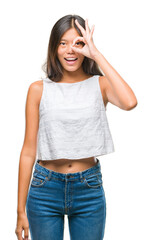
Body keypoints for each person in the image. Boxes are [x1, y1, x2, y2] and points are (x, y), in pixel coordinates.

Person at [15, 14, 138, 240]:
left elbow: (130, 102)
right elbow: (28, 151)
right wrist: (20, 210)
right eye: (63, 43)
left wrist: (96, 54)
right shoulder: (38, 89)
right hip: (45, 189)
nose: (70, 50)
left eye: (78, 43)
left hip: (88, 189)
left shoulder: (100, 85)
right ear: (54, 48)